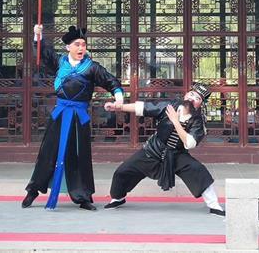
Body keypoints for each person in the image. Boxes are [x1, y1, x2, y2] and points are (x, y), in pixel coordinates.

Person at [22, 24, 124, 211]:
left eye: (83, 45)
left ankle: (83, 196)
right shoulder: (60, 62)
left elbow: (111, 81)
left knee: (79, 155)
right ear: (68, 47)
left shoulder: (92, 67)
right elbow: (44, 53)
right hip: (60, 114)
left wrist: (118, 96)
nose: (81, 48)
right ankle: (34, 189)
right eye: (77, 44)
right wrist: (38, 35)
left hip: (79, 117)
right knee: (48, 152)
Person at [103, 83, 226, 216]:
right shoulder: (171, 106)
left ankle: (214, 205)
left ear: (200, 104)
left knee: (198, 170)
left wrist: (176, 122)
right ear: (186, 94)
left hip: (176, 154)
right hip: (153, 149)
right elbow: (144, 107)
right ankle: (118, 198)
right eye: (191, 94)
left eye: (197, 98)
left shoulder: (198, 121)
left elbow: (190, 143)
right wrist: (119, 106)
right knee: (122, 172)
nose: (192, 99)